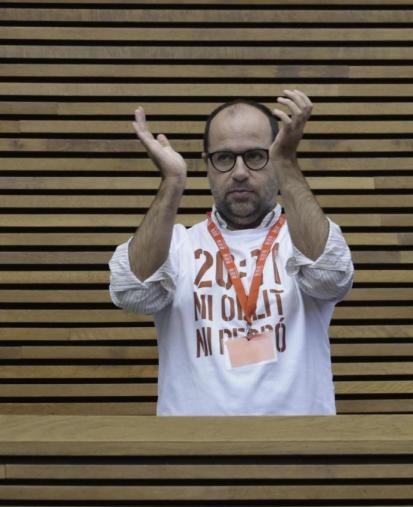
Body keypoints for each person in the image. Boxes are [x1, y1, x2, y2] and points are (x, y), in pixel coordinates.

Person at [109, 90, 354, 415]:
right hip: (193, 453)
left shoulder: (305, 238)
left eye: (255, 156)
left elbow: (331, 278)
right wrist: (172, 182)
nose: (239, 172)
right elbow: (131, 294)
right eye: (224, 158)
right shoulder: (178, 244)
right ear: (207, 165)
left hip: (297, 453)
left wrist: (286, 163)